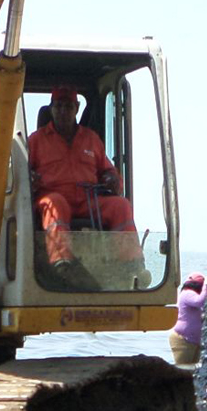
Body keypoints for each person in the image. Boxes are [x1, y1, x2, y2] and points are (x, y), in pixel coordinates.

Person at [28, 86, 139, 290]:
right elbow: (20, 173)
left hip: (87, 200)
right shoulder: (36, 140)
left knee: (120, 205)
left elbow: (108, 170)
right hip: (52, 197)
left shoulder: (91, 139)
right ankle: (62, 263)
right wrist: (30, 178)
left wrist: (111, 178)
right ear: (51, 109)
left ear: (77, 108)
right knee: (55, 204)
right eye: (59, 106)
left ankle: (132, 265)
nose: (63, 111)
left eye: (68, 106)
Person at [169, 272, 207, 365]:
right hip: (183, 339)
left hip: (195, 341)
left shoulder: (195, 295)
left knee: (194, 371)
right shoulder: (187, 293)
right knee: (182, 369)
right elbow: (199, 301)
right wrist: (206, 286)